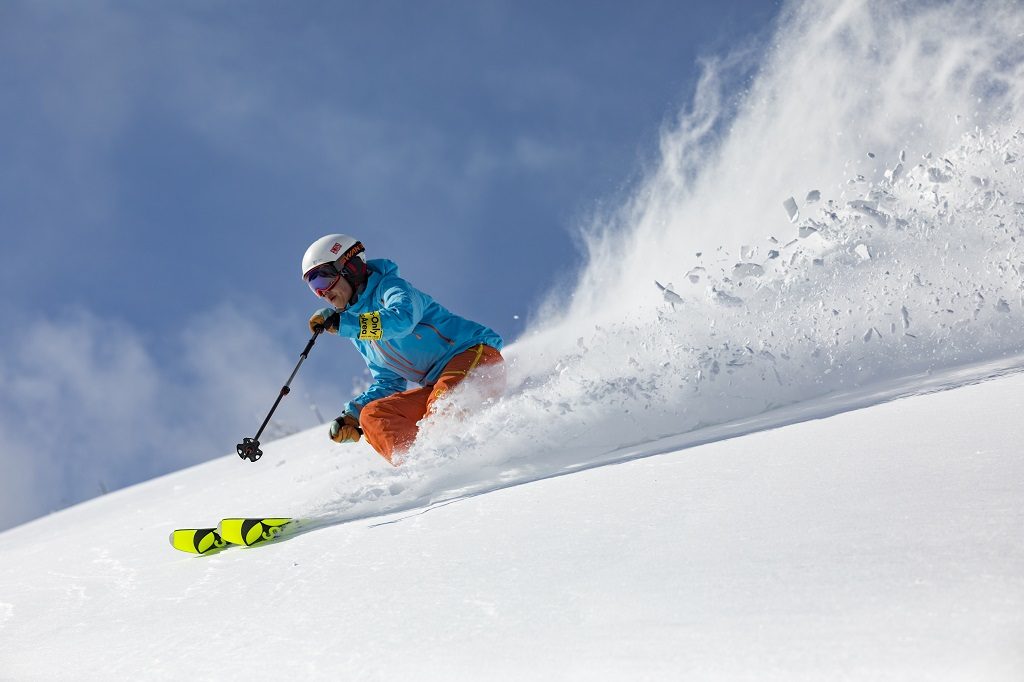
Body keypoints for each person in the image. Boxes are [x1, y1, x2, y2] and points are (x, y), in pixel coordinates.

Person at [302, 234, 505, 464]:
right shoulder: (357, 331)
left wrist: (347, 324)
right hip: (436, 387)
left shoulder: (390, 288)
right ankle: (419, 468)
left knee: (442, 409)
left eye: (323, 279)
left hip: (473, 358)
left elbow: (403, 319)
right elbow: (389, 382)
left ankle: (442, 462)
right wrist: (352, 414)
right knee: (374, 416)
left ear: (350, 267)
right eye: (313, 287)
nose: (323, 293)